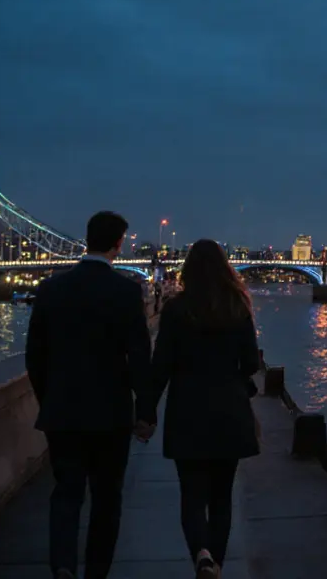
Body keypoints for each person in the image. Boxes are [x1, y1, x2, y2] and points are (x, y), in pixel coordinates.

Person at [25, 211, 155, 579]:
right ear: (119, 243)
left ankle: (64, 566)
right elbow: (140, 358)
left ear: (86, 240)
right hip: (110, 415)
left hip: (62, 412)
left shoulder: (51, 288)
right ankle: (96, 573)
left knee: (66, 494)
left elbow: (34, 356)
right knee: (106, 500)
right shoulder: (127, 292)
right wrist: (145, 412)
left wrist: (47, 397)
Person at [140, 239, 261, 578]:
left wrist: (147, 413)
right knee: (222, 497)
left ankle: (201, 554)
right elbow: (251, 362)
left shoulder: (177, 310)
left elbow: (160, 365)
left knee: (192, 495)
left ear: (188, 270)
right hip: (229, 412)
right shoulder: (238, 306)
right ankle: (216, 564)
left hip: (187, 412)